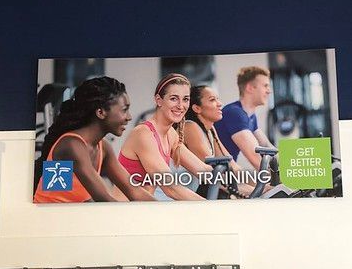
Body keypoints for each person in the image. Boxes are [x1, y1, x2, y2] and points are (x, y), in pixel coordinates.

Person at [34, 76, 155, 203]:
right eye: (124, 110)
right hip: (48, 219)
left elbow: (134, 191)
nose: (129, 117)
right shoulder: (72, 145)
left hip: (72, 217)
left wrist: (167, 210)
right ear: (101, 112)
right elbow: (104, 200)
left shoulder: (103, 147)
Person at [118, 73, 209, 201]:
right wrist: (209, 206)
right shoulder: (144, 134)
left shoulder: (170, 134)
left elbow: (203, 171)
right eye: (173, 98)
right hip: (122, 212)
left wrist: (238, 185)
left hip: (143, 211)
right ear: (158, 100)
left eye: (185, 99)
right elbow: (170, 188)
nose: (181, 105)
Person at [184, 84, 255, 198]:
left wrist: (264, 185)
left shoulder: (210, 129)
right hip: (179, 198)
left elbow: (232, 166)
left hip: (196, 193)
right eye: (212, 100)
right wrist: (252, 190)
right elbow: (213, 174)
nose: (220, 104)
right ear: (197, 108)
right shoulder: (190, 127)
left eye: (218, 99)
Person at [215, 65, 276, 170]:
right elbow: (256, 158)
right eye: (265, 86)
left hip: (226, 173)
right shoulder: (234, 113)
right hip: (214, 177)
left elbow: (267, 146)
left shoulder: (250, 116)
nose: (269, 91)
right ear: (250, 88)